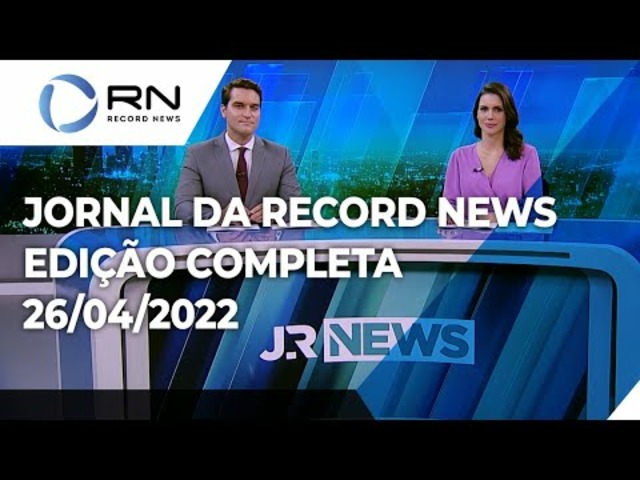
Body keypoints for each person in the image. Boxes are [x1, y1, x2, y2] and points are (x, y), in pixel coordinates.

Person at [174, 77, 301, 224]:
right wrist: (219, 216)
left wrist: (274, 212)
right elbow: (183, 209)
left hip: (264, 238)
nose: (248, 114)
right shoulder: (198, 154)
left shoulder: (280, 155)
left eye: (254, 107)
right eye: (239, 106)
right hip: (215, 238)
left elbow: (296, 206)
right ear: (223, 110)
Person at [442, 81, 543, 223]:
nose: (490, 116)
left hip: (513, 236)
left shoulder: (528, 154)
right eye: (484, 109)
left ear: (508, 115)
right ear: (476, 114)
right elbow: (449, 206)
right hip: (468, 236)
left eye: (497, 109)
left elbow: (535, 208)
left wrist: (499, 218)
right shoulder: (459, 157)